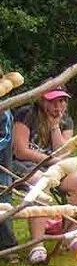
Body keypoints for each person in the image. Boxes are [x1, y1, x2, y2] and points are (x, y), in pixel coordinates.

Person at [12, 87, 77, 264]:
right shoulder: (27, 114)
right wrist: (49, 160)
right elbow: (21, 151)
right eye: (53, 101)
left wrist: (55, 126)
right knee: (41, 183)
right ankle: (37, 245)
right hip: (23, 167)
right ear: (42, 100)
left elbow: (63, 153)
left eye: (62, 101)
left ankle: (71, 236)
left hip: (52, 168)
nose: (58, 106)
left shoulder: (65, 120)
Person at [0, 108, 18, 256]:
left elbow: (4, 138)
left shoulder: (4, 110)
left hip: (2, 169)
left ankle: (8, 246)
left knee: (3, 203)